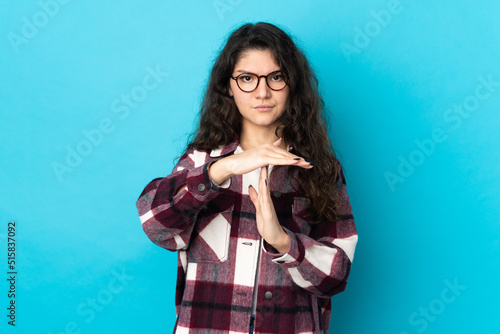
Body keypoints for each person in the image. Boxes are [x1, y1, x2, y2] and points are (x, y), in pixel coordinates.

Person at [136, 22, 358, 334]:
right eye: (247, 79)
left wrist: (282, 240)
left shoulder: (319, 168)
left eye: (276, 77)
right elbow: (155, 225)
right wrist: (222, 169)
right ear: (228, 86)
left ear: (292, 84)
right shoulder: (201, 161)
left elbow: (337, 276)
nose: (263, 92)